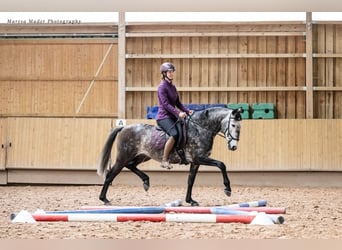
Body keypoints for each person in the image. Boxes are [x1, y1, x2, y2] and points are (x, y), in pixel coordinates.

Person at [156, 62, 193, 169]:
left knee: (184, 130)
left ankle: (180, 155)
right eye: (169, 72)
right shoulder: (162, 87)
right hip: (163, 117)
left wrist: (186, 111)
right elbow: (165, 104)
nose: (171, 74)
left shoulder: (172, 86)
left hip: (173, 116)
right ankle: (164, 160)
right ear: (164, 73)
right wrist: (178, 113)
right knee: (175, 134)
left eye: (172, 72)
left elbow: (177, 102)